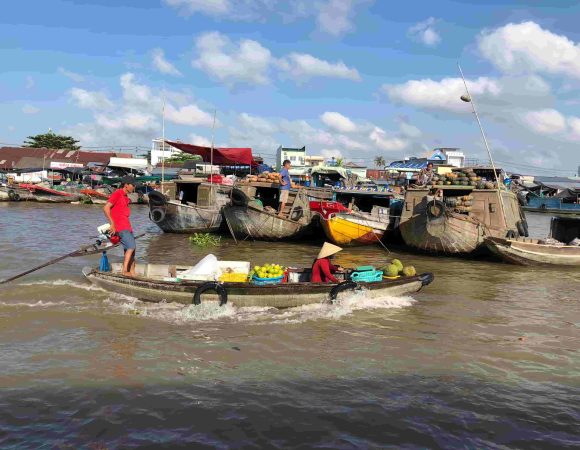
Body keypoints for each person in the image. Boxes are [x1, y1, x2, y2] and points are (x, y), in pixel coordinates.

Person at [103, 176, 137, 277]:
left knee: (132, 250)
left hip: (127, 227)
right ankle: (124, 271)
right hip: (121, 227)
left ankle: (132, 272)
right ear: (126, 185)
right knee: (131, 246)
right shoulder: (117, 193)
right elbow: (106, 208)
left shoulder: (126, 198)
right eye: (133, 185)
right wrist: (112, 224)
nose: (134, 187)